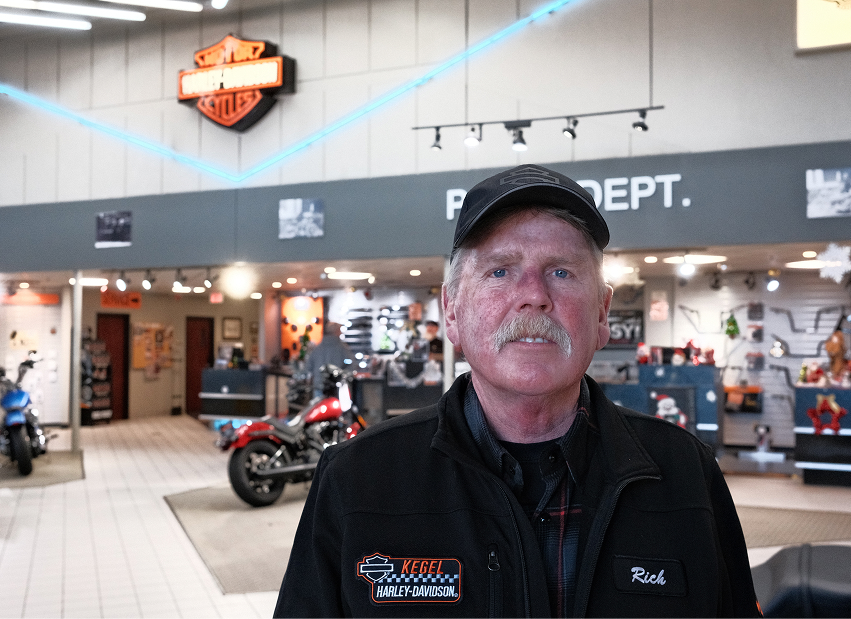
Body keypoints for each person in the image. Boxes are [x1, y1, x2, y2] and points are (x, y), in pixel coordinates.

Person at [275, 165, 760, 617]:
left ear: (601, 315)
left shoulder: (687, 476)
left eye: (562, 272)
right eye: (500, 271)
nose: (534, 294)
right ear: (452, 311)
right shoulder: (356, 481)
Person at [305, 321, 354, 396]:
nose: (341, 333)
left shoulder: (317, 349)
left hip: (318, 387)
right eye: (340, 331)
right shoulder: (342, 348)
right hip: (336, 388)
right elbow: (352, 365)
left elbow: (308, 367)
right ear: (336, 331)